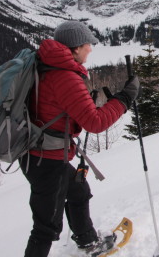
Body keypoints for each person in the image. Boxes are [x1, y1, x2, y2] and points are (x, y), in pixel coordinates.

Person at [20, 20, 140, 257]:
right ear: (75, 47)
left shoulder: (46, 65)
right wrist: (125, 98)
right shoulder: (65, 76)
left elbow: (56, 108)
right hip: (46, 160)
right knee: (46, 228)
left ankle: (88, 241)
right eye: (87, 44)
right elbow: (95, 123)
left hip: (39, 153)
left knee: (77, 190)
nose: (91, 49)